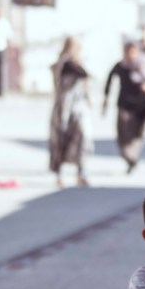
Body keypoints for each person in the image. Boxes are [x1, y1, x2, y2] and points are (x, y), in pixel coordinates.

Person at [103, 41, 145, 174]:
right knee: (123, 135)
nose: (130, 55)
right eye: (128, 51)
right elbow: (109, 80)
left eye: (133, 51)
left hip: (141, 106)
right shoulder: (121, 66)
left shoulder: (144, 64)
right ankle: (129, 157)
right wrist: (106, 99)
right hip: (125, 105)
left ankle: (133, 156)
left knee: (138, 135)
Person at [49, 37, 92, 188]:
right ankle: (58, 174)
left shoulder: (71, 62)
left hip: (78, 108)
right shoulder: (65, 63)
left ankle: (81, 172)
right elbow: (84, 73)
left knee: (82, 137)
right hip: (63, 108)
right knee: (60, 139)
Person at [0, 7, 13, 97]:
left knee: (2, 70)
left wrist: (10, 48)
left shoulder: (4, 23)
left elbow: (9, 36)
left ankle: (1, 90)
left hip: (2, 48)